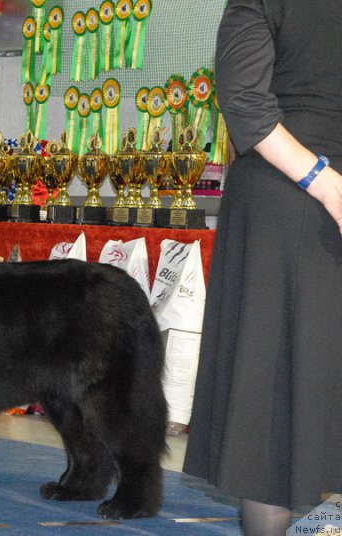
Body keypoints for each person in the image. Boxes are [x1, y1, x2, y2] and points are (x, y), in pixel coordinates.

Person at [182, 1, 342, 534]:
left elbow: (244, 99)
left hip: (287, 197)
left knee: (272, 403)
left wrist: (325, 183)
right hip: (295, 200)